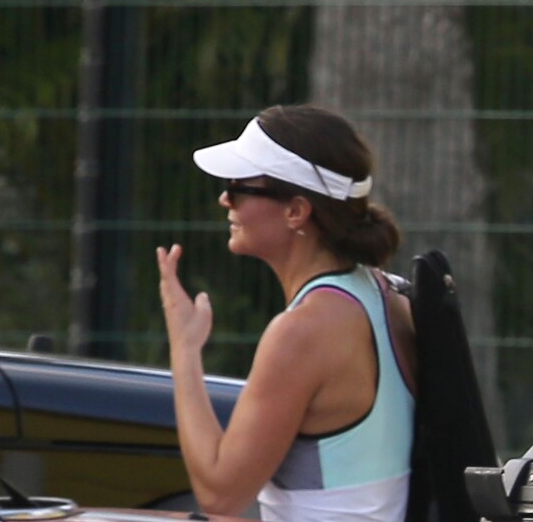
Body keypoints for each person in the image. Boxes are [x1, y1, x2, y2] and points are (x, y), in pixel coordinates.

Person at [156, 104, 417, 521]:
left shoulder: (304, 331)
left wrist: (185, 352)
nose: (225, 198)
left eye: (239, 186)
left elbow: (219, 495)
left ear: (297, 211)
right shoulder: (385, 295)